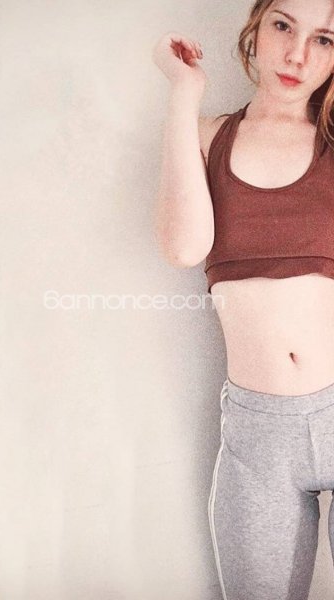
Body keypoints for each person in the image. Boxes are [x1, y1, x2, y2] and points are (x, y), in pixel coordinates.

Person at [152, 1, 334, 598]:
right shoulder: (210, 136)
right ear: (255, 28)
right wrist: (184, 93)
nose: (297, 55)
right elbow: (184, 247)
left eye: (325, 39)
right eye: (283, 25)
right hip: (258, 435)